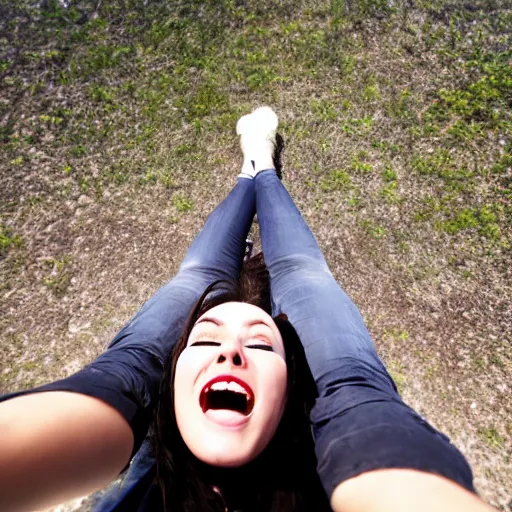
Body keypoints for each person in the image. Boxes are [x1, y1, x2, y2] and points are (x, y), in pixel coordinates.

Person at [0, 107, 495, 512]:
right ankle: (260, 169)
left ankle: (257, 168)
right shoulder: (349, 422)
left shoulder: (131, 422)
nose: (230, 350)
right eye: (207, 336)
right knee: (315, 305)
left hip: (153, 429)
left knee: (154, 337)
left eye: (260, 342)